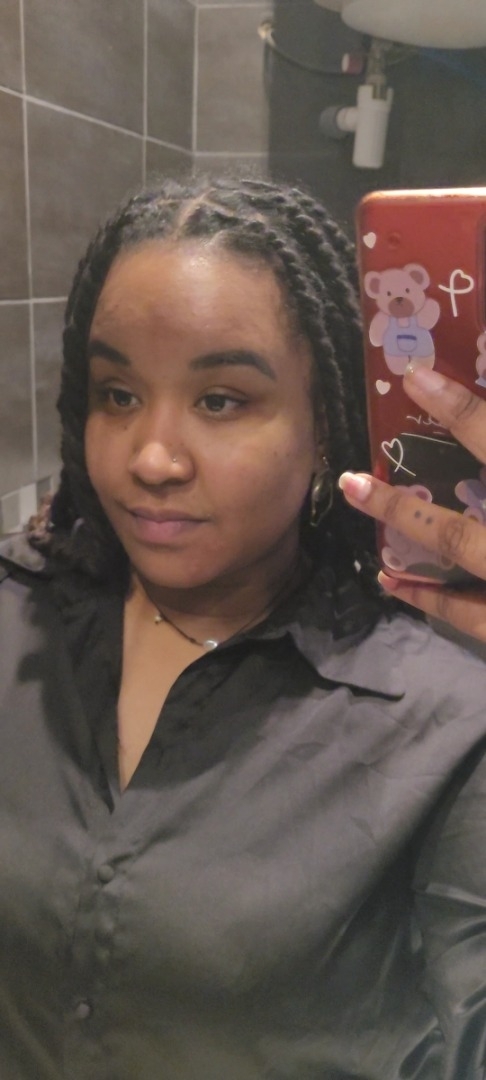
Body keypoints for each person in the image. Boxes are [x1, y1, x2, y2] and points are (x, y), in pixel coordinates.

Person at [1, 174, 486, 1080]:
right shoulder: (16, 617)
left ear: (325, 424)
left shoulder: (439, 712)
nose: (151, 458)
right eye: (117, 394)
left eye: (221, 400)